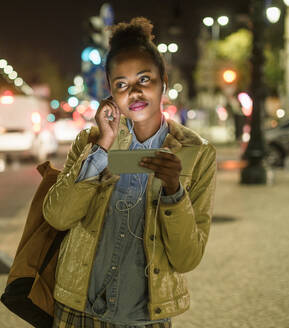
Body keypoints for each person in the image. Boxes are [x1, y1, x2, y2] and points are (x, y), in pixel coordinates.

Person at [43, 17, 216, 328]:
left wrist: (174, 192)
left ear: (164, 79)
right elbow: (57, 217)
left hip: (146, 319)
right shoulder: (89, 142)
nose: (133, 92)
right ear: (111, 91)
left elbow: (187, 258)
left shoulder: (197, 153)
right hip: (79, 312)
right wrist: (103, 148)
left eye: (144, 79)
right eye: (121, 84)